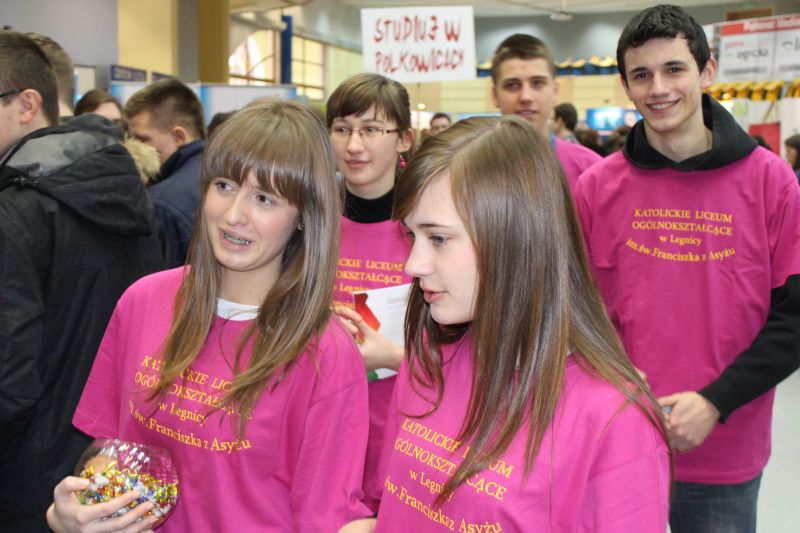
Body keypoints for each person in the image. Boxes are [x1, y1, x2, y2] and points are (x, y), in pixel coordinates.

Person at [47, 100, 372, 532]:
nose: (234, 215)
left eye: (264, 198)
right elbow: (111, 450)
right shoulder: (144, 301)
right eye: (224, 185)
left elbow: (324, 518)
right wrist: (72, 514)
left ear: (303, 217)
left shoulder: (323, 352)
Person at [355, 116, 670, 532]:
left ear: (514, 238)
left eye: (439, 238)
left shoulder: (614, 419)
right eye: (412, 235)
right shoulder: (429, 360)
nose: (413, 264)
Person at [573, 5, 800, 532]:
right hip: (615, 443)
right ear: (626, 87)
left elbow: (794, 319)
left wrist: (716, 402)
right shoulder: (596, 189)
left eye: (674, 69)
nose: (659, 88)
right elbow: (573, 312)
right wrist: (612, 384)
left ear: (707, 71)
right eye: (641, 74)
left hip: (724, 451)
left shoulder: (772, 183)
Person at [0, 31, 166, 532]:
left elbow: (10, 377)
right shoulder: (130, 193)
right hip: (112, 467)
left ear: (28, 104)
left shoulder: (15, 210)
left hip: (27, 481)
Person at [325, 73, 415, 511]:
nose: (354, 145)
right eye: (342, 129)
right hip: (322, 434)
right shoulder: (310, 226)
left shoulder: (429, 229)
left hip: (404, 437)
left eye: (371, 130)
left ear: (404, 139)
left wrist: (392, 359)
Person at [490, 34, 601, 192]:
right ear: (495, 95)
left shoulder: (590, 169)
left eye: (537, 83)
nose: (525, 97)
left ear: (555, 91)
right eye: (512, 85)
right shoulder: (467, 171)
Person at [125, 78, 207, 266]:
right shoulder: (226, 172)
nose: (133, 147)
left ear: (178, 137)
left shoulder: (161, 203)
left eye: (142, 139)